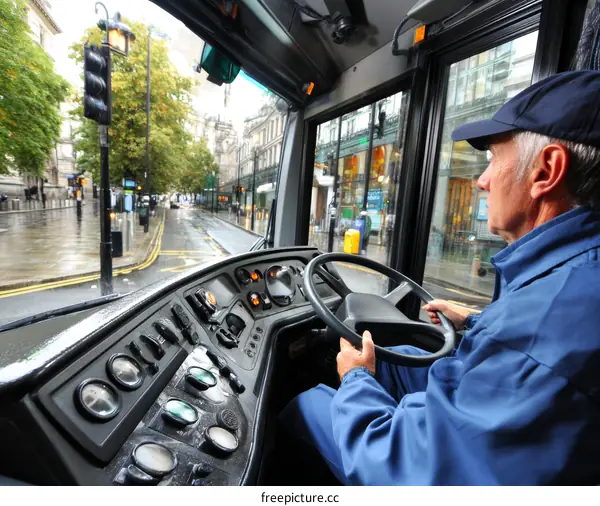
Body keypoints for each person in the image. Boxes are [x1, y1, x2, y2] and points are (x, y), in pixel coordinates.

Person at [279, 70, 600, 485]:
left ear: (546, 171)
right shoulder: (573, 275)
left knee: (306, 404)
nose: (483, 181)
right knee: (398, 357)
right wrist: (476, 323)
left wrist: (355, 378)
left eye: (495, 161)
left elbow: (409, 472)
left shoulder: (544, 325)